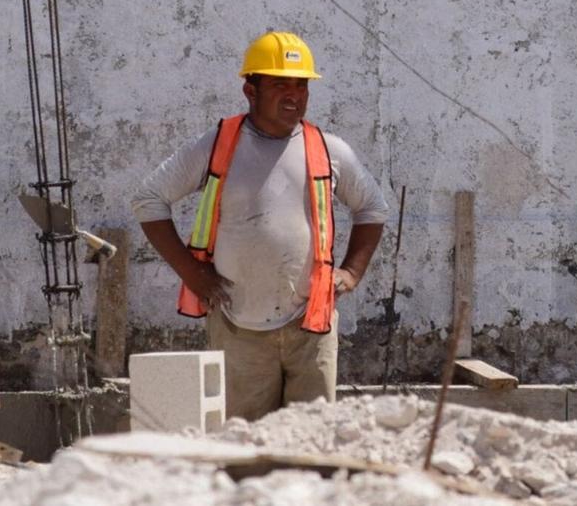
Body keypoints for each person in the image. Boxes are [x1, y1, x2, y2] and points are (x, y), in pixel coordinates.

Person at [132, 31, 388, 421]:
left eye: (301, 85)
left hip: (310, 327)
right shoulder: (218, 145)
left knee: (311, 443)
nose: (293, 95)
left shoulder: (327, 149)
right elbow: (149, 199)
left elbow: (371, 207)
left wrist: (352, 272)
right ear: (250, 90)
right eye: (279, 85)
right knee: (245, 444)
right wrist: (192, 273)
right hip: (239, 329)